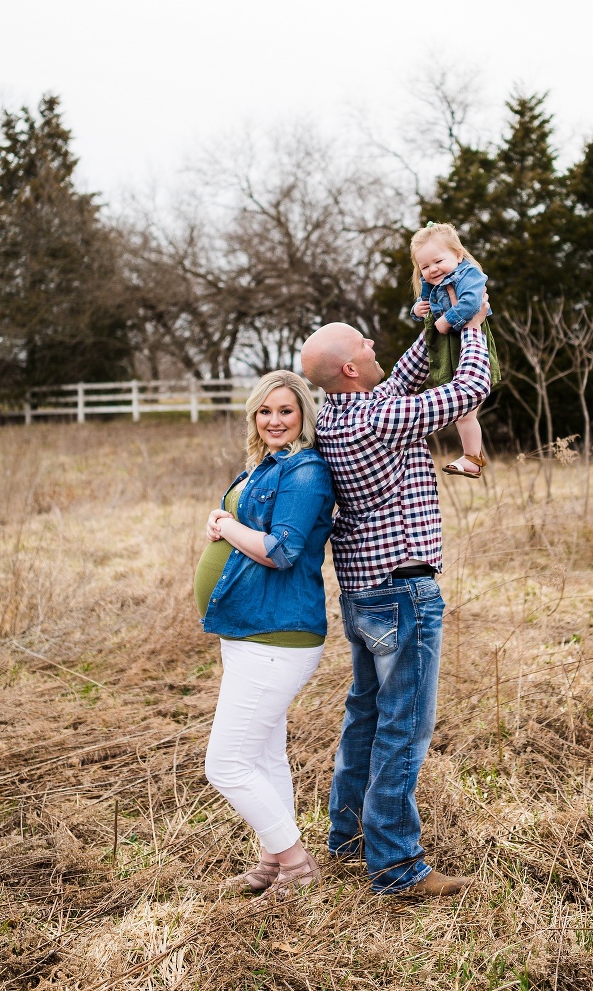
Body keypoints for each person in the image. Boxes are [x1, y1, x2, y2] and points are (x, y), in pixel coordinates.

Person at [300, 297, 491, 897]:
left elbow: (403, 373)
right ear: (350, 369)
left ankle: (350, 837)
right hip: (403, 593)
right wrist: (475, 330)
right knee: (404, 725)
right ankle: (396, 865)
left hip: (364, 595)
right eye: (363, 343)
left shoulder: (340, 413)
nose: (374, 345)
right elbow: (469, 388)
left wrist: (438, 329)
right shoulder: (378, 422)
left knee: (368, 715)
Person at [195, 370, 334, 897]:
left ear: (303, 416)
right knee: (263, 756)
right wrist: (223, 520)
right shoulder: (263, 467)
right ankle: (273, 858)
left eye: (286, 411)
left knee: (225, 764)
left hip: (279, 634)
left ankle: (297, 864)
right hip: (250, 630)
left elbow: (282, 551)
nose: (275, 421)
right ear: (254, 416)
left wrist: (225, 526)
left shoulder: (305, 473)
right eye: (265, 411)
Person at [410, 221, 500, 479]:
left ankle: (473, 457)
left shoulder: (469, 274)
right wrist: (417, 310)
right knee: (460, 409)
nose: (432, 269)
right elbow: (425, 302)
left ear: (458, 255)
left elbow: (473, 302)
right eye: (424, 267)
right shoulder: (434, 280)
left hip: (469, 340)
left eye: (437, 261)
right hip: (451, 344)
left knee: (465, 410)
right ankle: (472, 456)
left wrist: (448, 320)